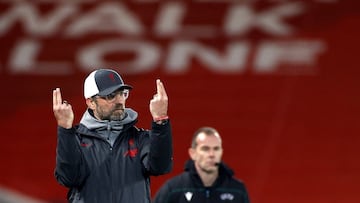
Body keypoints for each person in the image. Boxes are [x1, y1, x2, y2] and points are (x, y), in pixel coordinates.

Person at [52, 68, 173, 203]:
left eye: (122, 94)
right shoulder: (75, 140)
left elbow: (161, 167)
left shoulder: (140, 138)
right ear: (91, 102)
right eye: (110, 96)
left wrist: (160, 120)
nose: (119, 101)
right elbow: (68, 178)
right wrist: (65, 129)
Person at [153, 126, 250, 203]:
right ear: (192, 153)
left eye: (216, 149)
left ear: (221, 152)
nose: (212, 154)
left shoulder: (237, 190)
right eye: (205, 149)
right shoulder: (174, 189)